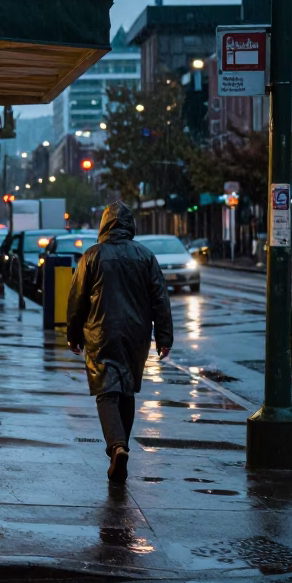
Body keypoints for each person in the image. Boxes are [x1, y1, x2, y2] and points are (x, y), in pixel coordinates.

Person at [66, 202, 173, 483]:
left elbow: (76, 299)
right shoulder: (145, 256)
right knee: (126, 390)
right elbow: (160, 299)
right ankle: (121, 446)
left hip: (101, 332)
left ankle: (117, 446)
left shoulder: (92, 256)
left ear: (104, 224)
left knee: (106, 391)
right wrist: (164, 337)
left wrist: (73, 334)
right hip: (137, 335)